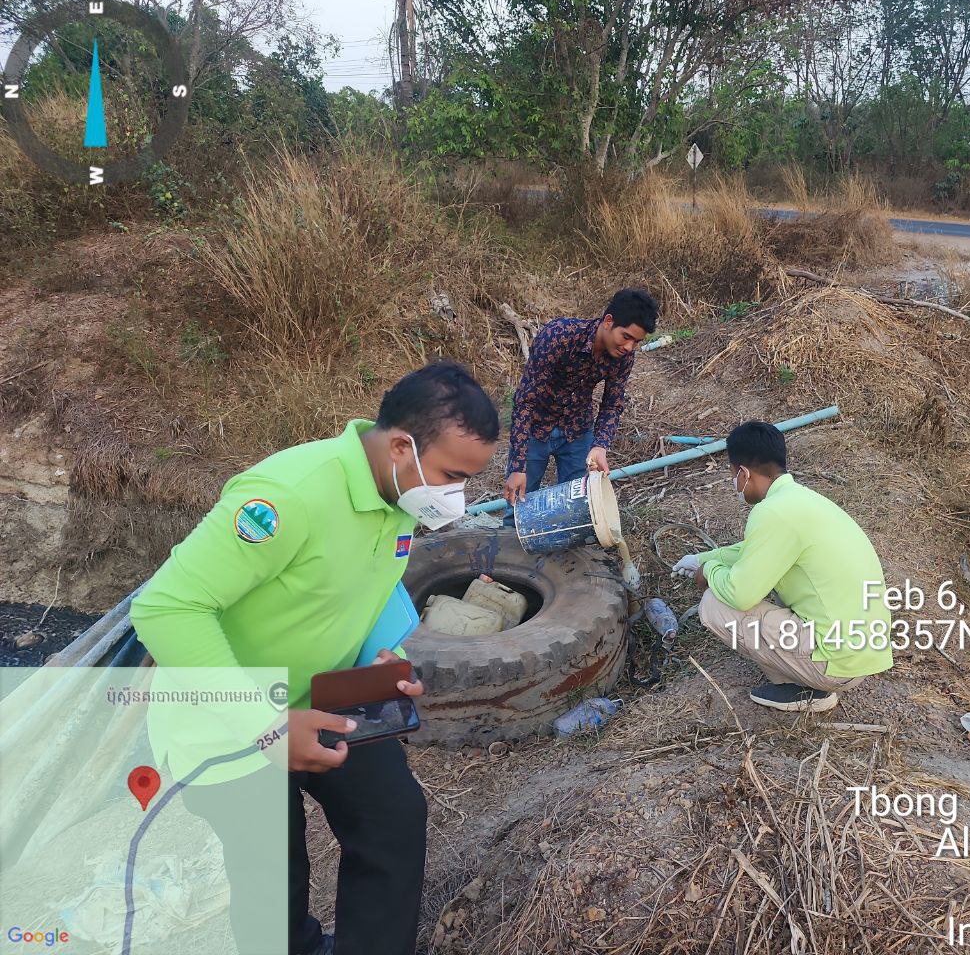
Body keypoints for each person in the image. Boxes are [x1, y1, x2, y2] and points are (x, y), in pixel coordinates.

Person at [131, 362, 500, 955]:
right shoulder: (287, 496)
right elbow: (165, 608)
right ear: (401, 447)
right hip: (228, 723)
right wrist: (266, 725)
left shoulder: (401, 495)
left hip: (327, 697)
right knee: (273, 876)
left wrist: (382, 658)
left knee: (392, 819)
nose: (458, 496)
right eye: (453, 475)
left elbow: (365, 589)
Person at [672, 422, 893, 712]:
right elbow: (753, 551)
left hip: (836, 664)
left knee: (716, 604)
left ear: (744, 474)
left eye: (732, 475)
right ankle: (807, 676)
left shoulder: (771, 512)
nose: (734, 483)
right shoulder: (801, 501)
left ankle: (808, 688)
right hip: (860, 651)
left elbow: (740, 594)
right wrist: (703, 558)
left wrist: (709, 571)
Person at [502, 288, 658, 518]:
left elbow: (612, 404)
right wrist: (518, 466)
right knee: (518, 509)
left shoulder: (623, 356)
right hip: (535, 427)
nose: (629, 347)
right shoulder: (559, 336)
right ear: (608, 321)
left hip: (577, 431)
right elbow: (526, 400)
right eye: (626, 337)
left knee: (576, 511)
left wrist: (600, 445)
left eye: (636, 342)